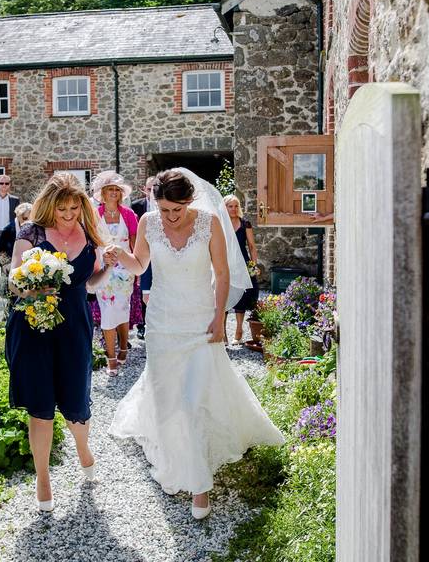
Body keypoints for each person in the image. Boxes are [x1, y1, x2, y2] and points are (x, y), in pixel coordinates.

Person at [106, 169, 284, 519]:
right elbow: (140, 264)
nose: (171, 217)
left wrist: (219, 317)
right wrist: (119, 256)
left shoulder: (209, 223)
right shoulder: (148, 222)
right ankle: (175, 455)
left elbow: (223, 274)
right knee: (168, 398)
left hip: (201, 323)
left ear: (190, 201)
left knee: (191, 401)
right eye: (165, 209)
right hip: (161, 325)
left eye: (178, 209)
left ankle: (199, 484)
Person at [5, 173, 114, 512]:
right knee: (40, 407)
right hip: (34, 324)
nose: (68, 215)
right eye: (62, 209)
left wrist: (107, 268)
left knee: (76, 401)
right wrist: (30, 288)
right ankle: (43, 478)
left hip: (75, 327)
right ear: (50, 206)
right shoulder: (31, 232)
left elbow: (92, 282)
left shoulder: (91, 234)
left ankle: (83, 448)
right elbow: (13, 278)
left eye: (74, 208)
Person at [91, 171, 140, 376]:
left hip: (124, 271)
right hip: (104, 269)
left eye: (117, 190)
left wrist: (136, 268)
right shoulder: (94, 214)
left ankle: (123, 346)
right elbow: (91, 241)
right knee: (108, 312)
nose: (114, 193)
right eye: (110, 189)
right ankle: (111, 359)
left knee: (122, 308)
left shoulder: (129, 214)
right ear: (102, 193)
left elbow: (135, 242)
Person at [224, 195, 259, 344]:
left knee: (242, 295)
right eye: (230, 206)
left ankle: (239, 329)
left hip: (242, 264)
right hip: (224, 263)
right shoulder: (220, 223)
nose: (233, 209)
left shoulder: (245, 224)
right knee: (223, 296)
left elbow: (252, 246)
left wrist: (253, 266)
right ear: (224, 207)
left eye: (236, 206)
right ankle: (223, 333)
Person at [130, 177, 156, 339]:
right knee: (142, 289)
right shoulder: (136, 206)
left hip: (160, 251)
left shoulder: (165, 204)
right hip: (142, 250)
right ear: (144, 189)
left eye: (155, 188)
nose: (152, 192)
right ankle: (142, 325)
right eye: (149, 189)